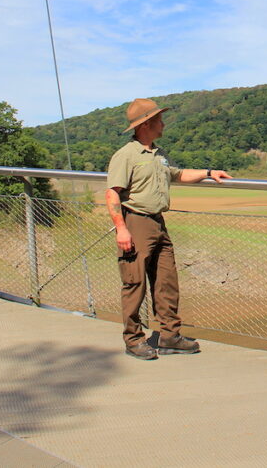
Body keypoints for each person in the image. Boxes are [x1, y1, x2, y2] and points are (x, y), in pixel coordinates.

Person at [105, 98, 232, 360]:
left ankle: (169, 336)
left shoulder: (159, 155)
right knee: (134, 282)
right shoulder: (126, 156)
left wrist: (209, 172)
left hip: (158, 224)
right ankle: (133, 339)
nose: (163, 123)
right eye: (160, 119)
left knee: (166, 282)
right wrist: (121, 229)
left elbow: (178, 174)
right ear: (147, 124)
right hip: (136, 222)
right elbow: (112, 194)